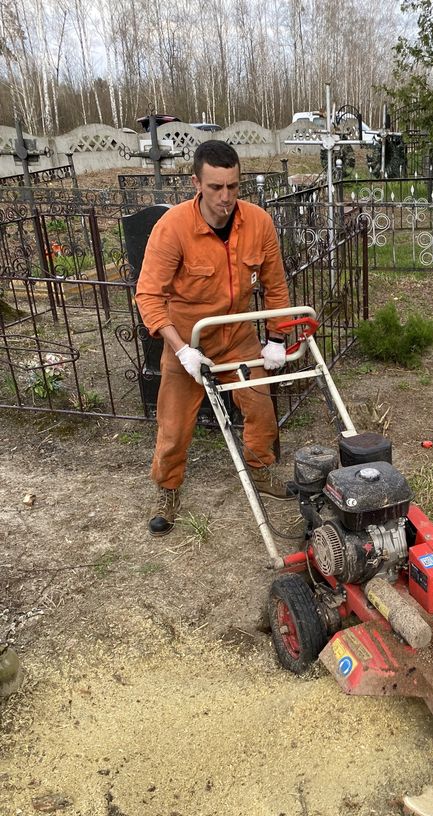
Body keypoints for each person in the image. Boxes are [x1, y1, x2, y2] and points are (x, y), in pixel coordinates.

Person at [136, 140, 293, 537]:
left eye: (233, 187)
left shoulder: (258, 223)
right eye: (216, 188)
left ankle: (260, 471)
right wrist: (182, 348)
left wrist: (276, 338)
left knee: (260, 409)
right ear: (197, 183)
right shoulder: (172, 228)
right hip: (188, 340)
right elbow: (148, 295)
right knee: (173, 428)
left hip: (237, 334)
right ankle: (168, 490)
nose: (226, 198)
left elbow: (275, 286)